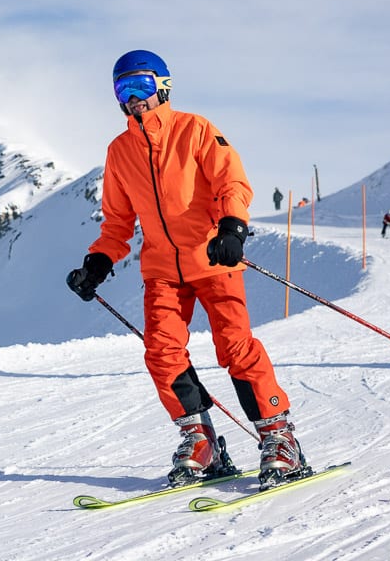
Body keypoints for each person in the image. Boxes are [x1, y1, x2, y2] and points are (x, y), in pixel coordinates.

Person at [65, 49, 307, 491]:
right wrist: (97, 263)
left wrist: (232, 227)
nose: (134, 97)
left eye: (142, 85)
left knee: (234, 346)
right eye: (124, 89)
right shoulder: (119, 152)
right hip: (162, 269)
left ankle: (279, 437)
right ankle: (200, 440)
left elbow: (230, 181)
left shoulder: (195, 130)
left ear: (163, 87)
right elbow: (117, 222)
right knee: (161, 352)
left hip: (213, 258)